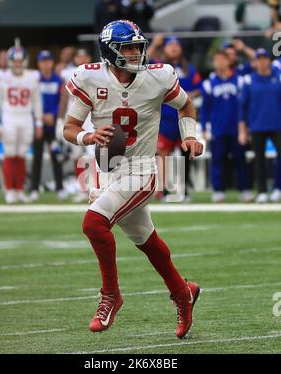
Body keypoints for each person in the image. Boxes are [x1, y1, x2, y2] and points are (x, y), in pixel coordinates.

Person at [63, 20, 203, 338]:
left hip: (140, 169)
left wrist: (190, 136)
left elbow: (187, 106)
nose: (136, 53)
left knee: (93, 224)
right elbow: (69, 128)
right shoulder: (90, 77)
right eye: (128, 47)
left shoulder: (158, 76)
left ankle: (110, 295)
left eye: (138, 47)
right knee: (147, 241)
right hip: (103, 169)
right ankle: (184, 292)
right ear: (110, 52)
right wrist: (89, 136)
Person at [149, 35, 202, 202]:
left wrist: (183, 96)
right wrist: (154, 44)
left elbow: (199, 88)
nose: (173, 48)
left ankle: (184, 190)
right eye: (169, 45)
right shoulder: (158, 66)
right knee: (163, 154)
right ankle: (163, 189)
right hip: (165, 118)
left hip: (183, 117)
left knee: (186, 153)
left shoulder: (189, 69)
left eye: (176, 45)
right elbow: (143, 64)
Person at [0, 45, 43, 204]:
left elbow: (36, 101)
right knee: (9, 153)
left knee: (21, 155)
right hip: (9, 117)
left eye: (20, 61)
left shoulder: (32, 76)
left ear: (25, 61)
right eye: (15, 61)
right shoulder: (1, 76)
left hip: (26, 117)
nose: (18, 64)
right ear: (10, 62)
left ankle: (19, 190)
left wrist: (39, 121)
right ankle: (9, 190)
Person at [201, 49, 253, 203]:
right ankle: (218, 190)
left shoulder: (240, 81)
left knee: (240, 160)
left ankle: (244, 190)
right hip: (218, 129)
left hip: (237, 129)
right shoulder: (209, 83)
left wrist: (246, 126)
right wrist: (204, 128)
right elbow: (205, 108)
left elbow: (245, 106)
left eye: (221, 59)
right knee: (218, 160)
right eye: (216, 59)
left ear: (228, 61)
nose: (219, 62)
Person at [239, 48, 281, 203]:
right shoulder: (249, 80)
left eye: (265, 59)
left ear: (269, 61)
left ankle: (278, 188)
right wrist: (242, 130)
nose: (262, 62)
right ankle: (262, 191)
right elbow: (243, 107)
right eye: (259, 59)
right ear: (255, 62)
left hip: (277, 124)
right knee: (259, 160)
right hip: (257, 125)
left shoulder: (278, 78)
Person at [57, 49, 96, 203]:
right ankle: (83, 188)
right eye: (78, 56)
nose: (81, 58)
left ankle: (93, 188)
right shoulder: (68, 72)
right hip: (74, 118)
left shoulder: (98, 72)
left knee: (92, 155)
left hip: (91, 118)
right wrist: (60, 119)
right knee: (76, 156)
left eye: (84, 55)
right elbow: (64, 97)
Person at [30, 51, 66, 202]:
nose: (46, 64)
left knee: (56, 156)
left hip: (52, 126)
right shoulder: (34, 80)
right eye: (42, 61)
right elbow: (31, 101)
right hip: (38, 125)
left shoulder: (58, 80)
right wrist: (40, 116)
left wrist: (55, 115)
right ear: (38, 63)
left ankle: (60, 188)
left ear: (52, 62)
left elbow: (63, 101)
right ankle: (34, 189)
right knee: (36, 157)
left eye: (48, 61)